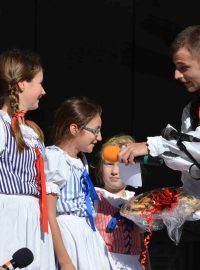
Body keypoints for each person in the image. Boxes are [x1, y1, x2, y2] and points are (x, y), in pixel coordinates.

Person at [118, 25, 200, 198]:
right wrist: (187, 207)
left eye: (183, 67)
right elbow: (189, 162)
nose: (176, 75)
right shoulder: (191, 110)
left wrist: (152, 146)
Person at [0, 49, 55, 269]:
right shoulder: (2, 125)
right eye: (39, 83)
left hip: (33, 218)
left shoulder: (29, 130)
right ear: (22, 84)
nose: (43, 91)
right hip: (10, 217)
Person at [44, 96, 111, 270]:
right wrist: (65, 261)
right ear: (74, 129)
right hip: (67, 236)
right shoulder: (54, 158)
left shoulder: (81, 161)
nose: (99, 137)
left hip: (86, 235)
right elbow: (49, 214)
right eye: (95, 131)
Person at [94, 134, 151, 270]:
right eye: (108, 164)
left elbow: (143, 246)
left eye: (121, 165)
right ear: (100, 167)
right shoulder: (94, 199)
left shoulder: (137, 203)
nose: (114, 171)